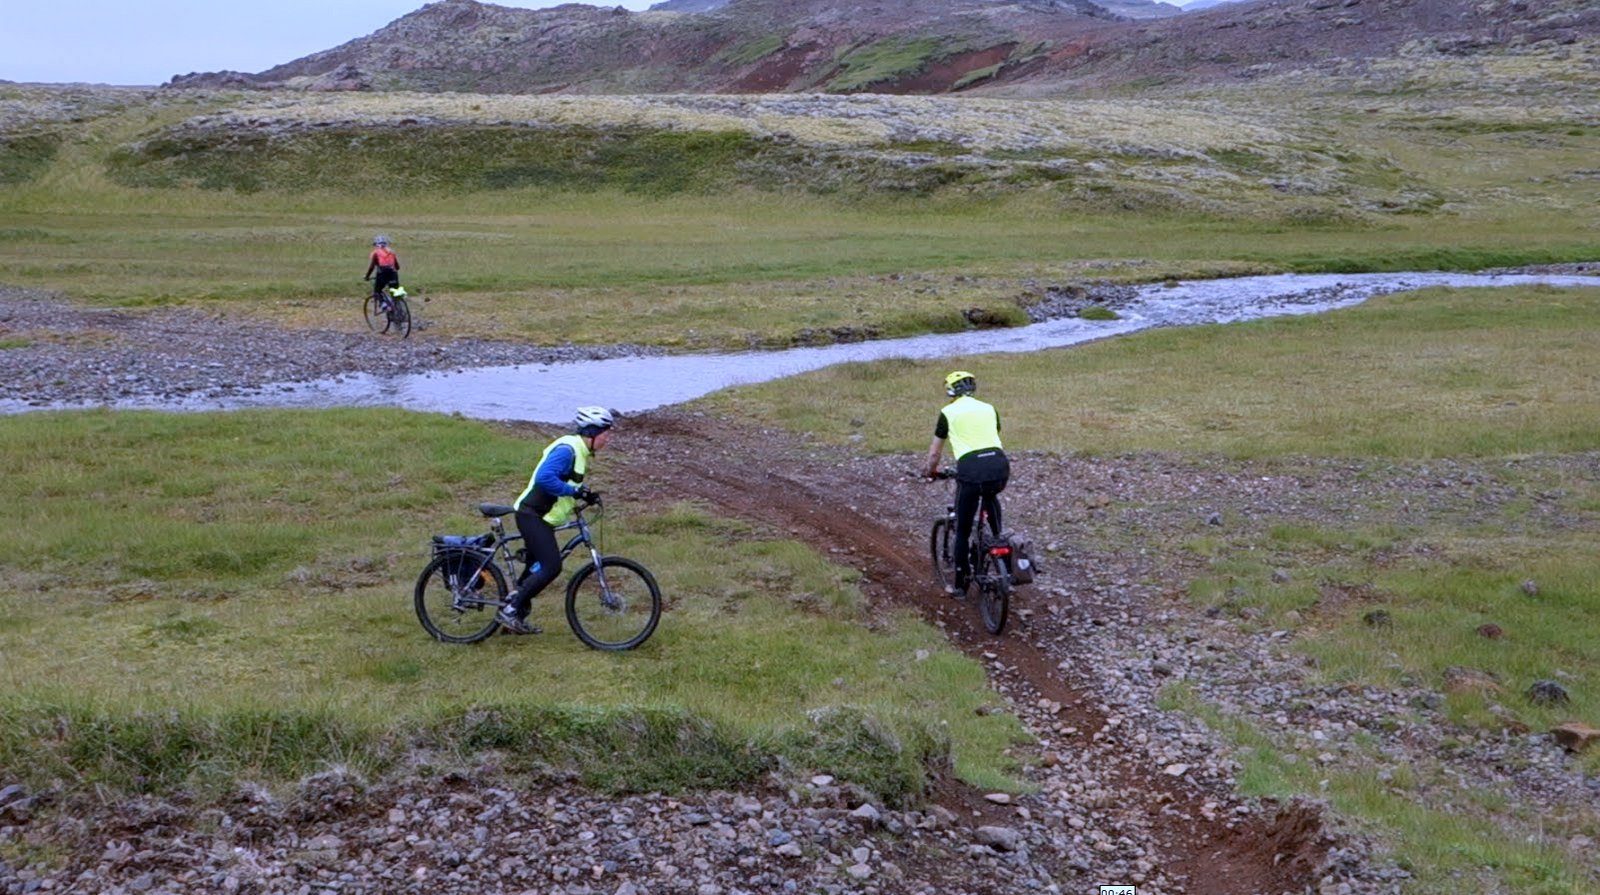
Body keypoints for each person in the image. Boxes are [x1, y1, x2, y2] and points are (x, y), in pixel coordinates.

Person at [495, 406, 616, 634]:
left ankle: (513, 618)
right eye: (605, 434)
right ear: (592, 433)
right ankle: (510, 611)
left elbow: (566, 483)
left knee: (534, 569)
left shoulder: (579, 451)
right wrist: (574, 492)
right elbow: (545, 478)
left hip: (542, 516)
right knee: (551, 566)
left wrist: (584, 495)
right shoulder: (567, 450)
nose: (607, 439)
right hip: (532, 515)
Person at [924, 370, 1009, 596]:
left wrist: (931, 471)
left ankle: (961, 587)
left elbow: (935, 453)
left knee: (962, 530)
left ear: (950, 391)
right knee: (990, 494)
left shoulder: (947, 412)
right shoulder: (989, 408)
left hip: (971, 471)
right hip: (999, 466)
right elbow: (989, 435)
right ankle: (1000, 545)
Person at [363, 234, 400, 306]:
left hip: (382, 275)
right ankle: (398, 307)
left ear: (376, 245)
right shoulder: (391, 252)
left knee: (377, 291)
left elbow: (371, 267)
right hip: (393, 274)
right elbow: (397, 267)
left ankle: (384, 305)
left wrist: (367, 276)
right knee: (395, 292)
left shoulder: (376, 253)